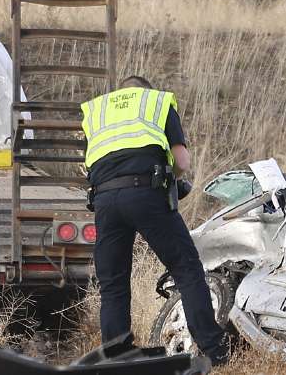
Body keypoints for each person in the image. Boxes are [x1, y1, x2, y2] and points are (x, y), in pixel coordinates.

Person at [81, 75, 229, 365]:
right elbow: (182, 161)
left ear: (120, 93)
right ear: (144, 92)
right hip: (144, 192)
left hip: (104, 200)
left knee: (113, 285)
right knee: (186, 268)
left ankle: (115, 359)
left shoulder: (97, 110)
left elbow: (91, 162)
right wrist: (172, 178)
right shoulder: (156, 102)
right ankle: (214, 350)